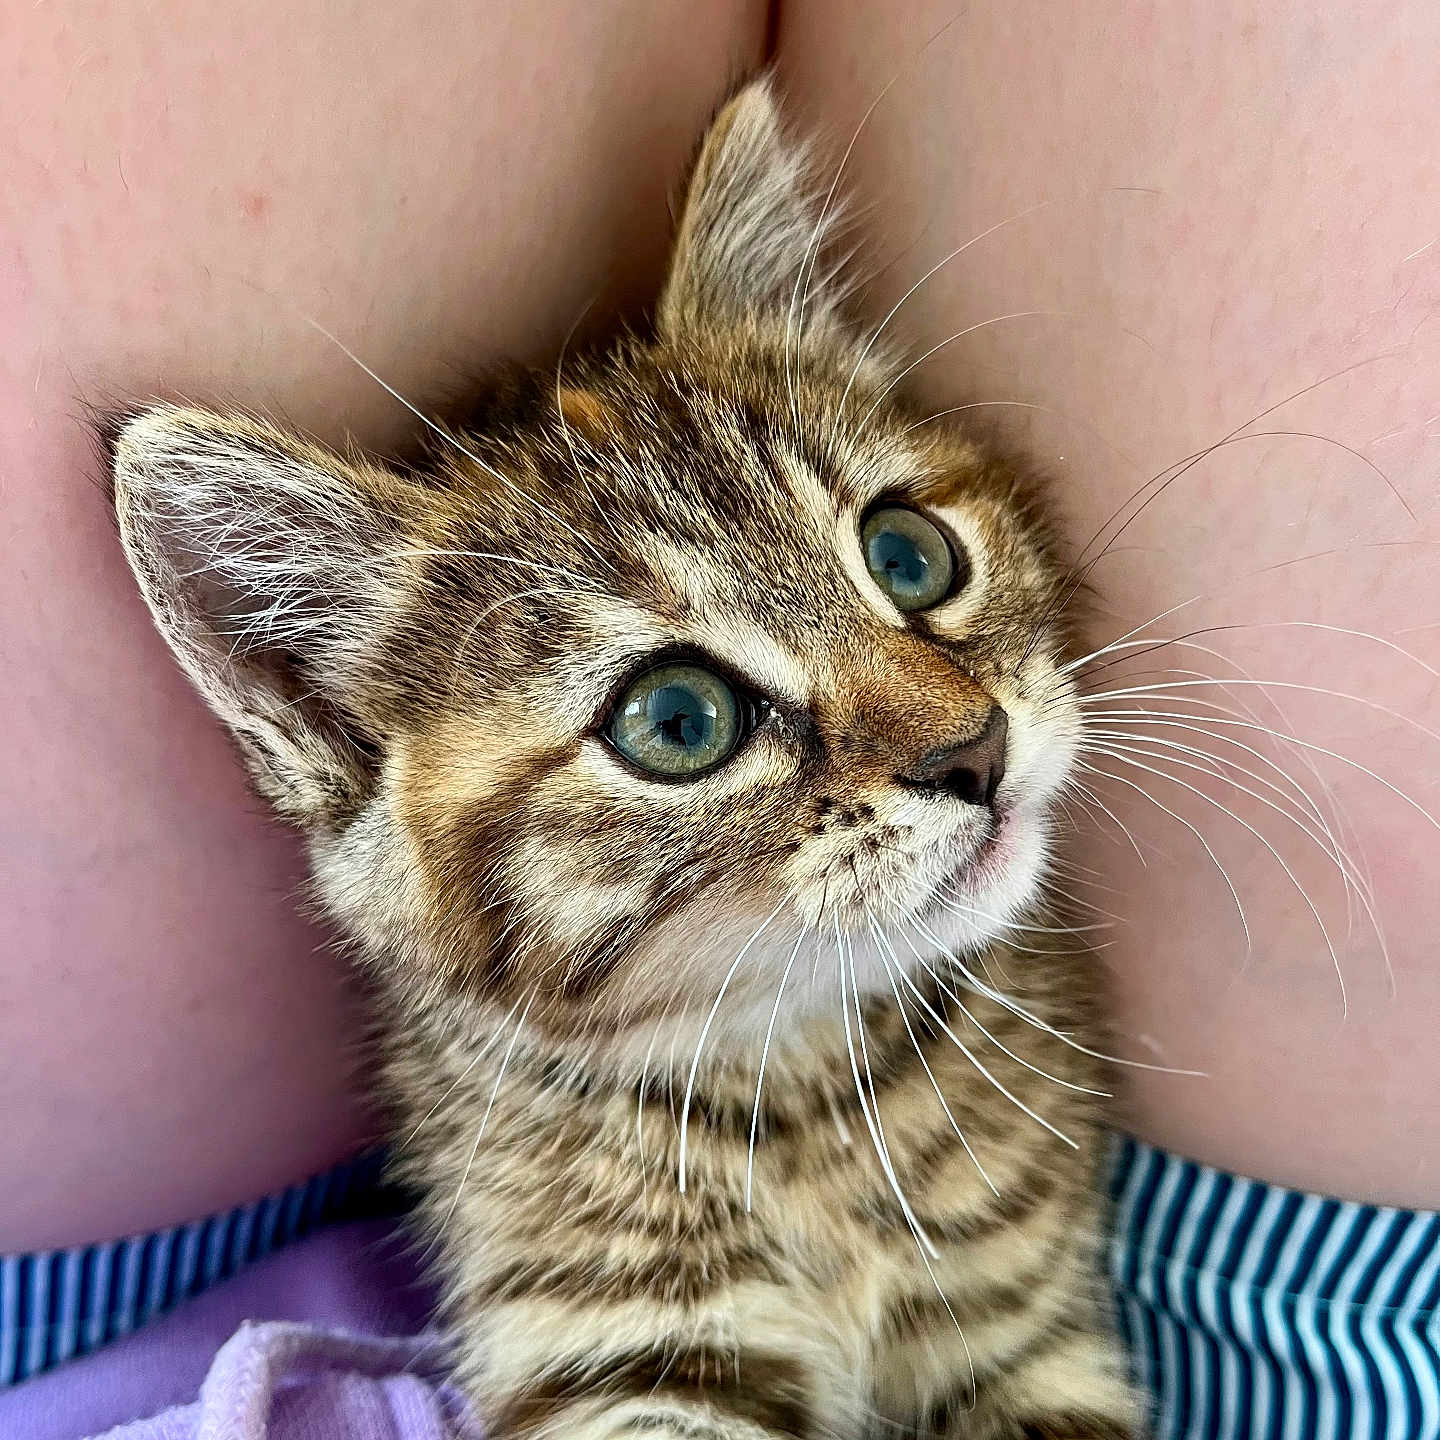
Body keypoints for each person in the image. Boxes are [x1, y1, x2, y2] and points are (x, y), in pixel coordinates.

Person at [3, 2, 1436, 1435]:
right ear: (329, 714)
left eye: (906, 561)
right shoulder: (541, 1132)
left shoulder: (989, 1026)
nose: (953, 730)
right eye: (681, 716)